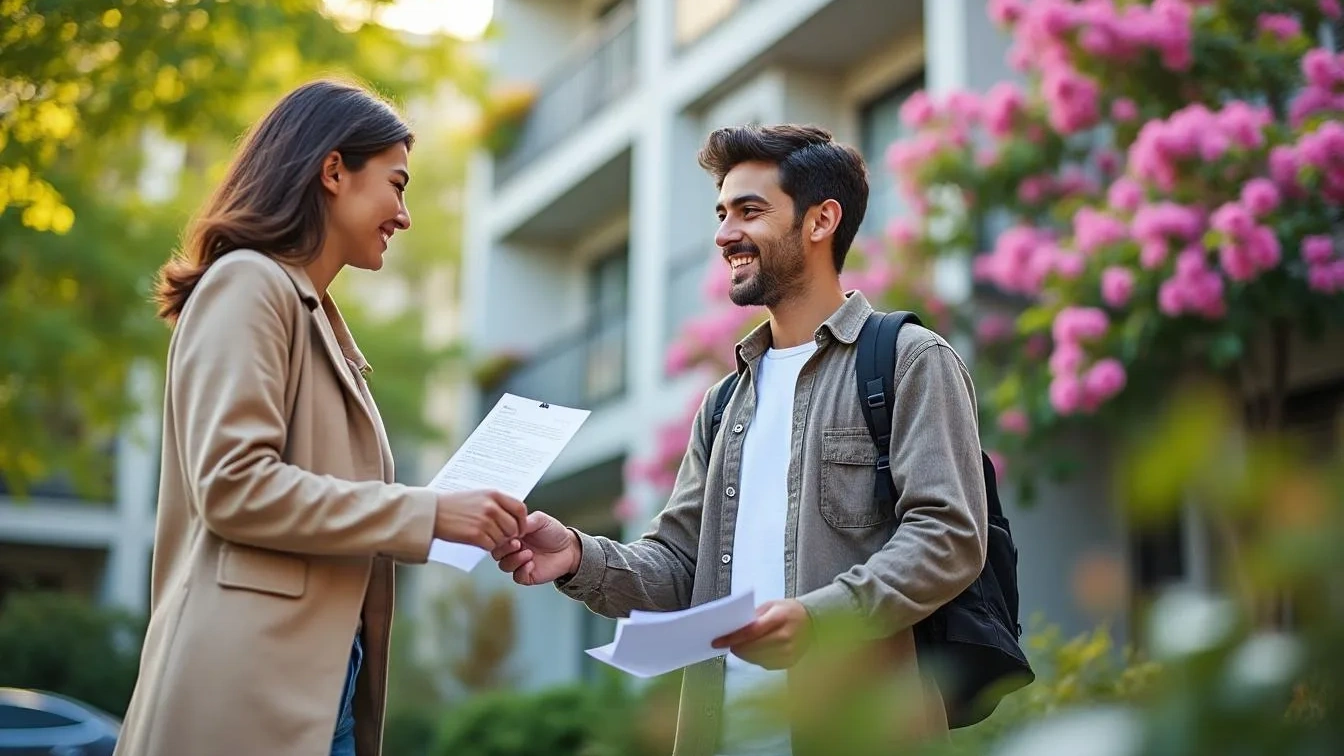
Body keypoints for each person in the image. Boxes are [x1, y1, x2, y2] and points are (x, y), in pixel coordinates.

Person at [490, 124, 988, 756]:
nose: (725, 234)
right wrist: (577, 555)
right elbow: (678, 569)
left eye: (750, 211)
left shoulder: (909, 361)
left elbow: (948, 535)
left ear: (820, 221)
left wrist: (819, 619)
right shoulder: (725, 402)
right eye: (722, 213)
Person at [114, 79, 529, 756]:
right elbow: (234, 486)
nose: (404, 214)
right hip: (247, 696)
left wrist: (450, 517)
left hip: (315, 692)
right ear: (333, 170)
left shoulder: (314, 319)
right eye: (396, 184)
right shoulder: (248, 283)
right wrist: (426, 514)